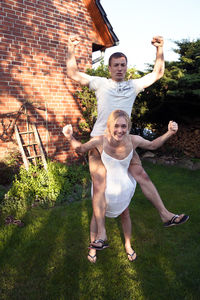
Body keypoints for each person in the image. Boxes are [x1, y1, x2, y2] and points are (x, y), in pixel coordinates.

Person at [66, 35, 189, 253]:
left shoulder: (133, 85)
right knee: (99, 183)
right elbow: (73, 74)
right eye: (116, 65)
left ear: (126, 67)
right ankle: (102, 234)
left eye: (123, 65)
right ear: (110, 67)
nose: (120, 69)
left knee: (141, 175)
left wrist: (160, 49)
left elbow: (157, 73)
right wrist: (71, 48)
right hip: (100, 141)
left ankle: (165, 215)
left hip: (124, 140)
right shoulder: (100, 83)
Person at [63, 109, 188, 263]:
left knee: (125, 214)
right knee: (96, 217)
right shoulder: (100, 140)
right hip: (106, 187)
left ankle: (129, 245)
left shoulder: (133, 140)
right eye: (116, 126)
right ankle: (95, 246)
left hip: (123, 184)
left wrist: (169, 133)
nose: (120, 130)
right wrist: (70, 137)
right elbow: (81, 149)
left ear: (128, 127)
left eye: (124, 126)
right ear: (109, 126)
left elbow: (153, 145)